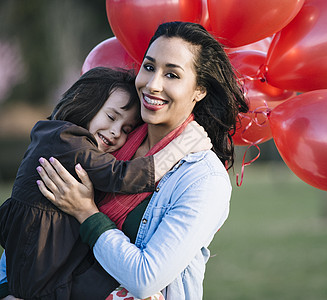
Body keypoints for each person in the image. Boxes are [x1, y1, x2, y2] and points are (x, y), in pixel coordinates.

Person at [3, 21, 249, 299]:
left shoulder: (203, 179)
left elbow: (145, 279)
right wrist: (9, 289)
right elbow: (33, 223)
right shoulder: (103, 142)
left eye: (172, 75)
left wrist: (86, 212)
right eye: (149, 67)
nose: (153, 84)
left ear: (199, 90)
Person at [0, 66, 211, 300]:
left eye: (126, 130)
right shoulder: (67, 141)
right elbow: (121, 176)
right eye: (111, 117)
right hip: (46, 274)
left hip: (49, 268)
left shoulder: (52, 135)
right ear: (84, 102)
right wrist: (181, 146)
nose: (114, 132)